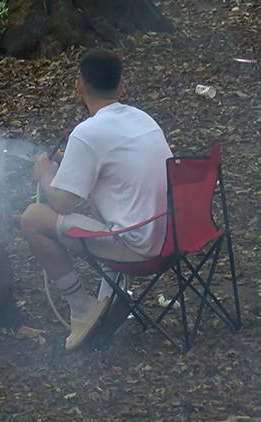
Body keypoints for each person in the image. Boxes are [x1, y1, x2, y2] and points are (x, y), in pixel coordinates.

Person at [20, 49, 172, 351]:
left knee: (32, 218)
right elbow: (119, 175)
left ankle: (82, 308)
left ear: (79, 86)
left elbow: (63, 205)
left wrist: (45, 174)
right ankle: (109, 296)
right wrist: (76, 166)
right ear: (121, 87)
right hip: (173, 236)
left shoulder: (87, 133)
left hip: (138, 246)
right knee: (107, 195)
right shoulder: (143, 118)